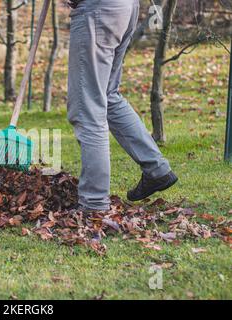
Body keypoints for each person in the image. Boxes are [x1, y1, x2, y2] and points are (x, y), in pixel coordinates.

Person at [67, 0, 178, 213]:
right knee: (108, 97)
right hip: (123, 7)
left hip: (98, 11)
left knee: (87, 108)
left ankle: (93, 204)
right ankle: (156, 168)